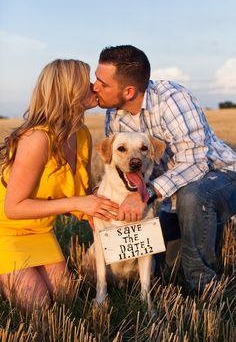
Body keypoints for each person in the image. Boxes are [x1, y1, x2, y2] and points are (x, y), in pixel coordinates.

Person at [93, 44, 236, 293]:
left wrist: (145, 195)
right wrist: (100, 199)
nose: (94, 87)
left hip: (221, 176)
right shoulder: (115, 115)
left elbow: (197, 163)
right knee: (157, 269)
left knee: (194, 196)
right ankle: (201, 228)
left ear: (128, 91)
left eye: (102, 83)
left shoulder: (172, 99)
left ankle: (202, 285)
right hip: (172, 195)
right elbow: (117, 165)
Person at [0, 59, 119, 310]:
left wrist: (105, 207)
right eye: (86, 82)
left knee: (67, 298)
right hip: (6, 232)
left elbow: (81, 196)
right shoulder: (37, 138)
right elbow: (14, 208)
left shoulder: (81, 134)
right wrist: (79, 203)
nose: (94, 87)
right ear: (69, 91)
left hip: (41, 231)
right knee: (39, 304)